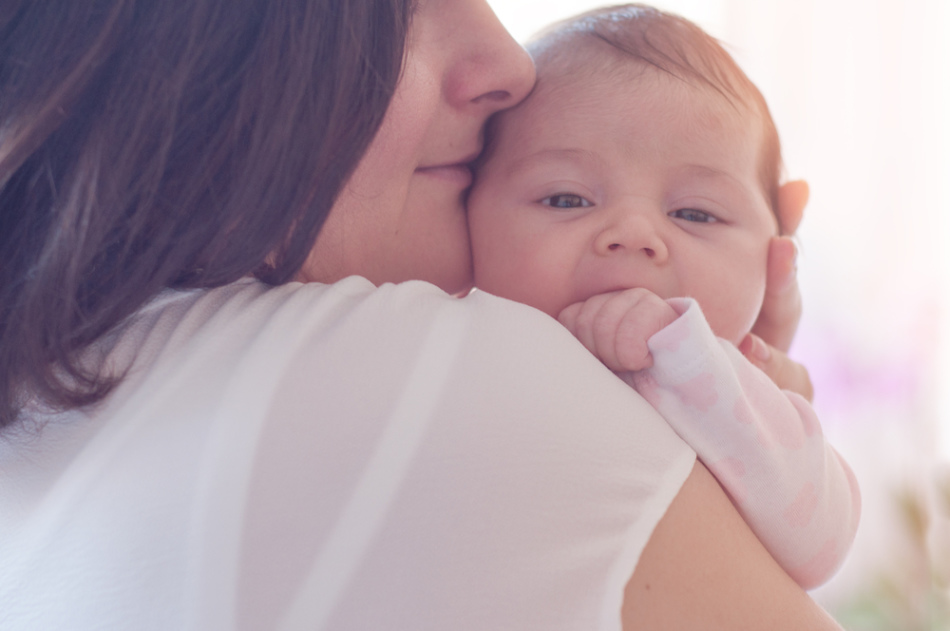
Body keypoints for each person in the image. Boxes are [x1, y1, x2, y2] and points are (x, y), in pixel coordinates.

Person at [0, 0, 842, 629]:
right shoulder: (438, 375)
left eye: (697, 214)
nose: (509, 61)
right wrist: (732, 427)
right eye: (402, 8)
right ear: (212, 45)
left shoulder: (68, 385)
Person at [467, 4, 860, 590]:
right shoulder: (456, 342)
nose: (633, 234)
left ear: (776, 245)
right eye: (566, 199)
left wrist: (686, 362)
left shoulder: (738, 386)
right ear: (465, 212)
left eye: (694, 213)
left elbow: (820, 544)